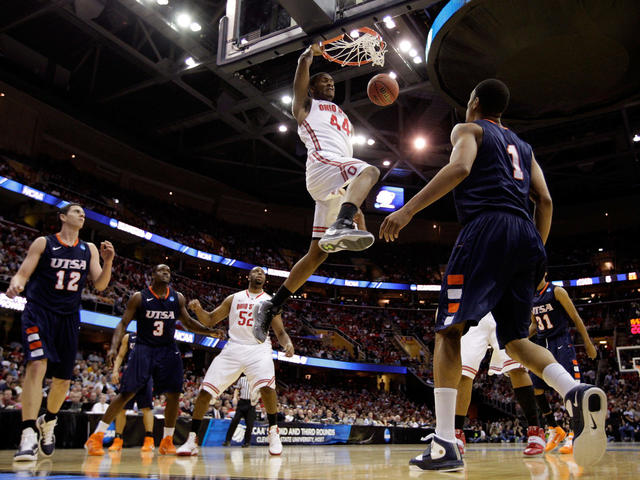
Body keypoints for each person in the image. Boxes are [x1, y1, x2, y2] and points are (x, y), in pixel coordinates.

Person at [379, 79, 607, 471]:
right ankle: (574, 391)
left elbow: (461, 166)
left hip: (485, 229)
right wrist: (537, 250)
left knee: (448, 331)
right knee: (516, 340)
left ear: (475, 103)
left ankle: (445, 443)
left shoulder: (468, 129)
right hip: (526, 237)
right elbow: (546, 200)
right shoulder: (525, 146)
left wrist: (408, 210)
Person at [252, 43, 380, 343]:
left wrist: (352, 202)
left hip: (334, 180)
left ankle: (272, 306)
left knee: (317, 254)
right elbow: (300, 80)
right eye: (324, 81)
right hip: (322, 166)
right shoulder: (306, 107)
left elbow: (347, 161)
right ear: (311, 88)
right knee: (370, 170)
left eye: (333, 83)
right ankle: (342, 223)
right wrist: (305, 59)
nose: (331, 84)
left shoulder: (345, 119)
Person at [6, 203, 115, 461]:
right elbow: (23, 273)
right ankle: (28, 433)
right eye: (76, 211)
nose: (82, 214)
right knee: (36, 365)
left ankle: (50, 420)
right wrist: (16, 284)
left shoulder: (88, 249)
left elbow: (100, 284)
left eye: (83, 213)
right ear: (63, 217)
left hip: (68, 317)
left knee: (63, 381)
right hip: (39, 311)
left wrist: (108, 262)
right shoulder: (43, 243)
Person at [84, 264, 214, 456]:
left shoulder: (177, 297)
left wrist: (208, 331)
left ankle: (167, 440)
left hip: (168, 349)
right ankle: (96, 437)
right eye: (162, 270)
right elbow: (123, 323)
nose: (166, 273)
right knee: (126, 393)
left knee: (174, 394)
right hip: (144, 348)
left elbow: (187, 322)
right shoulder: (139, 297)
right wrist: (113, 346)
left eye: (169, 271)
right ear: (152, 275)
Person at [176, 267, 294, 456]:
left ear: (265, 280)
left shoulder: (271, 301)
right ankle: (191, 439)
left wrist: (287, 343)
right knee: (205, 391)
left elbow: (280, 332)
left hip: (259, 348)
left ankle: (273, 432)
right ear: (249, 276)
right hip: (234, 347)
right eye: (255, 271)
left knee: (267, 388)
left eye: (262, 273)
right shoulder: (234, 298)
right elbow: (210, 320)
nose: (259, 274)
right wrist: (198, 310)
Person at [454, 313, 546, 456]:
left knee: (517, 366)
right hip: (474, 310)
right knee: (464, 371)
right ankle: (457, 433)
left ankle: (535, 430)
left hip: (502, 307)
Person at [530, 275, 598, 454]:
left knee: (569, 388)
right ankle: (554, 428)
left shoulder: (557, 291)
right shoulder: (531, 296)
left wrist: (588, 343)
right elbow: (534, 325)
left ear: (543, 273)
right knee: (536, 388)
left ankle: (575, 433)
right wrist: (518, 339)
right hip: (542, 343)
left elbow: (575, 317)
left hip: (560, 342)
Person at [108, 332, 155, 453]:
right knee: (122, 408)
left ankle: (149, 440)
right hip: (130, 374)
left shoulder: (153, 337)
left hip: (146, 375)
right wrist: (115, 371)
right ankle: (118, 440)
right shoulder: (129, 337)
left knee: (146, 408)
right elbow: (120, 355)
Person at [223, 374, 256, 447]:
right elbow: (237, 389)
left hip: (251, 404)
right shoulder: (242, 379)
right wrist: (235, 397)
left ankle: (247, 442)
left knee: (250, 424)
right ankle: (227, 440)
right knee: (235, 421)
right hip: (242, 402)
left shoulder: (255, 379)